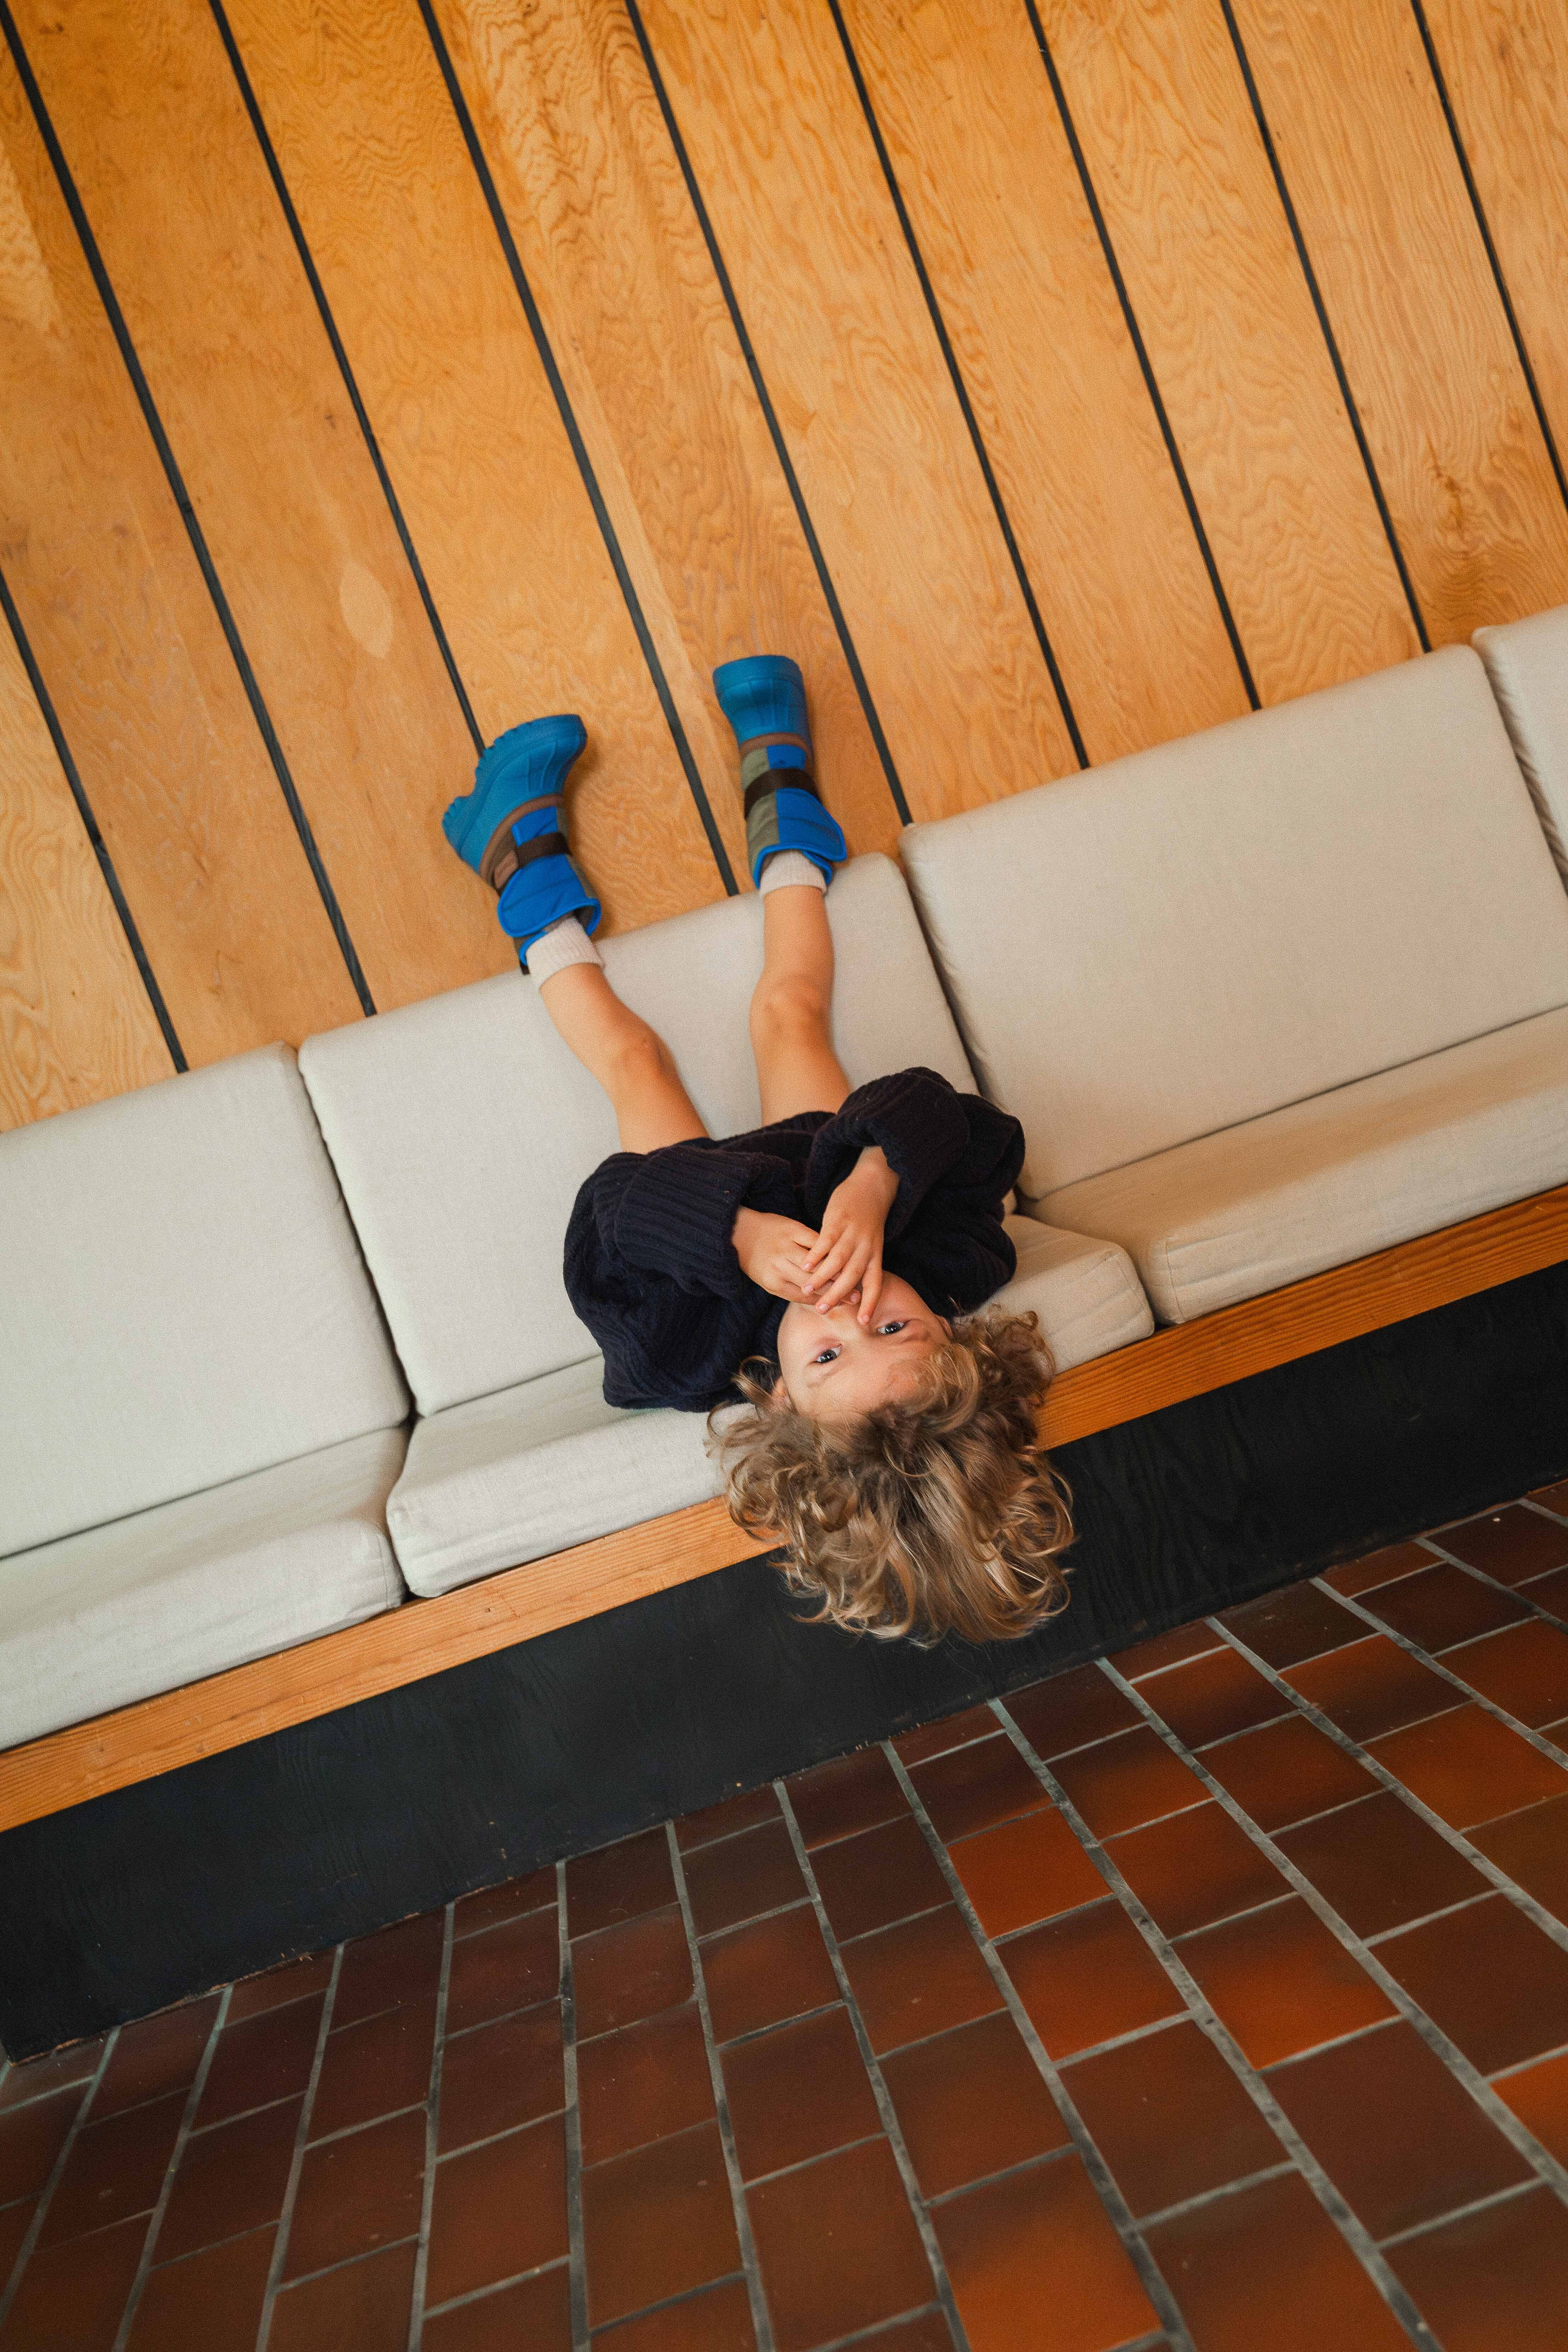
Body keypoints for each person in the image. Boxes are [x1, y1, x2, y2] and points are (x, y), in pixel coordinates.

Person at [442, 655, 1072, 1643]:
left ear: (779, 1400)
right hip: (815, 1157)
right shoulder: (952, 1260)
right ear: (950, 1334)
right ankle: (784, 802)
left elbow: (607, 1217)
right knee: (788, 1010)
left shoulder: (681, 1354)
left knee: (635, 1060)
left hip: (690, 1213)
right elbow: (961, 1121)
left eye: (826, 1354)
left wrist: (734, 1235)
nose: (849, 1310)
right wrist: (875, 1181)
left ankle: (517, 863)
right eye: (896, 1327)